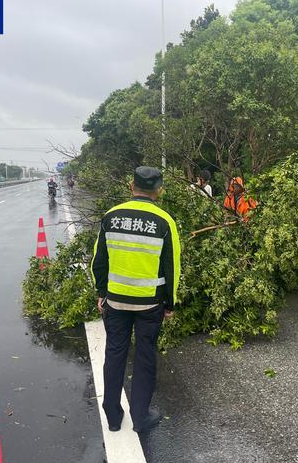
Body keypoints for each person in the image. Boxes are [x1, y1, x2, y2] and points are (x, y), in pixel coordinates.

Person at [91, 166, 181, 434]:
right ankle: (140, 417)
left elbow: (99, 261)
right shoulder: (165, 221)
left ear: (131, 185)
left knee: (115, 353)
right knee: (144, 356)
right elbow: (171, 267)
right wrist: (170, 303)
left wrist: (101, 293)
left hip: (116, 302)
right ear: (159, 190)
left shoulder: (111, 216)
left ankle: (113, 417)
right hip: (149, 303)